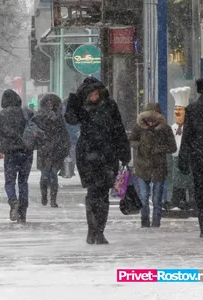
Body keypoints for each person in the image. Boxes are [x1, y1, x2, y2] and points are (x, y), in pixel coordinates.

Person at [65, 77, 131, 245]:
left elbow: (118, 129)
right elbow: (70, 118)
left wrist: (124, 153)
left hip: (107, 155)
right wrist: (74, 99)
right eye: (91, 94)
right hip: (87, 156)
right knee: (93, 193)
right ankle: (92, 229)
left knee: (103, 195)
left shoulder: (109, 105)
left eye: (96, 93)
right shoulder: (82, 108)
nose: (94, 97)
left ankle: (99, 231)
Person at [178, 77, 203, 238]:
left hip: (198, 154)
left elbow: (187, 135)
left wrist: (183, 157)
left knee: (201, 190)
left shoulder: (192, 109)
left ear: (198, 89)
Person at [0, 89, 34, 223]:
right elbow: (36, 130)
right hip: (26, 152)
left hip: (10, 154)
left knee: (9, 181)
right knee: (23, 182)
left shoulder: (0, 116)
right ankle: (23, 211)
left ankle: (13, 202)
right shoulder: (27, 113)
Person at [129, 103, 177, 228]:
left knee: (156, 199)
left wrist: (159, 148)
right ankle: (144, 222)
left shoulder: (165, 129)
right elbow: (132, 140)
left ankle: (156, 223)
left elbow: (172, 147)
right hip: (142, 167)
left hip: (158, 167)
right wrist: (141, 145)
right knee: (144, 198)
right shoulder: (139, 127)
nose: (151, 122)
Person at [33, 93, 70, 208]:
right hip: (44, 150)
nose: (50, 106)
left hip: (56, 150)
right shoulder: (39, 117)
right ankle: (44, 195)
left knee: (53, 175)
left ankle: (53, 199)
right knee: (44, 176)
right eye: (47, 103)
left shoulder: (59, 118)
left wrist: (65, 148)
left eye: (52, 103)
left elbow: (64, 134)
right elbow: (34, 132)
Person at [164, 87, 196, 213]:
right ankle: (177, 201)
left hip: (187, 159)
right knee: (176, 183)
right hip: (174, 159)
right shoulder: (171, 128)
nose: (177, 113)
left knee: (190, 183)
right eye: (175, 110)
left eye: (181, 110)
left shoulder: (191, 128)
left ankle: (192, 202)